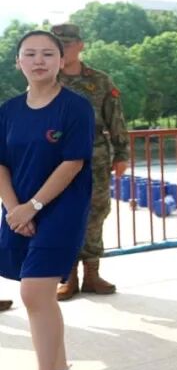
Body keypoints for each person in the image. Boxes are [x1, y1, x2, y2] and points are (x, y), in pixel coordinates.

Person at [0, 31, 95, 370]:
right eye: (30, 54)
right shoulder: (8, 111)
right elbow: (1, 165)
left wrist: (34, 206)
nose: (38, 60)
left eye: (47, 54)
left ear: (61, 60)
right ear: (18, 62)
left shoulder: (75, 107)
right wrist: (15, 209)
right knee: (39, 296)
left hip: (61, 210)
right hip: (19, 210)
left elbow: (73, 163)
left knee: (34, 293)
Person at [50, 24, 128, 301]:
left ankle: (92, 275)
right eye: (58, 44)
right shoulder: (46, 79)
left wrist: (121, 153)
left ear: (80, 45)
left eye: (68, 44)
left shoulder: (100, 81)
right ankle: (69, 276)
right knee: (64, 215)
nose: (63, 49)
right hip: (56, 159)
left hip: (95, 157)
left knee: (96, 214)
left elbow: (115, 118)